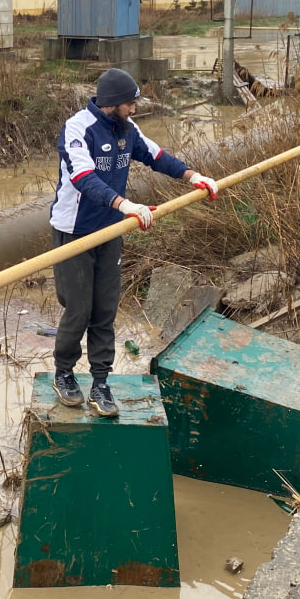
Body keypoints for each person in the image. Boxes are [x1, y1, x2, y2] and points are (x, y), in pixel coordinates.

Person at [49, 68, 218, 416]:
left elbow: (156, 156)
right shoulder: (78, 129)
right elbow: (83, 178)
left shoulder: (128, 129)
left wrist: (193, 176)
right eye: (130, 103)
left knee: (105, 309)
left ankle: (100, 382)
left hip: (111, 232)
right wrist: (125, 205)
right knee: (78, 309)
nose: (134, 109)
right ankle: (64, 373)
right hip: (75, 232)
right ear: (112, 102)